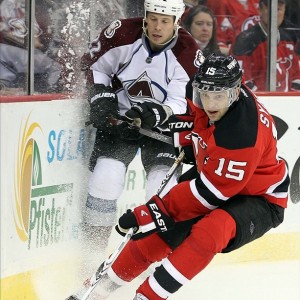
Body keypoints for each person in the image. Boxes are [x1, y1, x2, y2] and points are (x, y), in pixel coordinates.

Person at [87, 53, 290, 300]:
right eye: (205, 94)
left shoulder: (241, 135)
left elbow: (208, 195)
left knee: (211, 231)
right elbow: (196, 121)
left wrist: (150, 211)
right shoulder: (219, 95)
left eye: (218, 96)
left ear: (235, 93)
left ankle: (148, 296)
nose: (211, 103)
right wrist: (156, 118)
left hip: (260, 197)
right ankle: (101, 288)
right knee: (160, 234)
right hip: (218, 175)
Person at [80, 0, 204, 252]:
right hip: (121, 122)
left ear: (177, 22)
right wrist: (101, 95)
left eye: (165, 21)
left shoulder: (188, 52)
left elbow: (181, 101)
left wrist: (161, 112)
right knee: (106, 177)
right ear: (145, 16)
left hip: (163, 129)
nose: (157, 26)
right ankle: (91, 252)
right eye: (153, 18)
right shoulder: (122, 33)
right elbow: (95, 67)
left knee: (161, 189)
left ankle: (152, 254)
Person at [231, 0, 300, 91]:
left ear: (284, 12)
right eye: (270, 8)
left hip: (285, 102)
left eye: (279, 9)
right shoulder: (245, 40)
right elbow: (241, 80)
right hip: (259, 102)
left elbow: (296, 76)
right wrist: (265, 100)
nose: (274, 13)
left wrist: (288, 100)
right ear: (260, 10)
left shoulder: (288, 39)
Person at [0, 0, 62, 93]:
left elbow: (40, 39)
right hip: (22, 54)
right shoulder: (9, 4)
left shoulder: (46, 6)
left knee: (57, 65)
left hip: (42, 56)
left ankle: (51, 90)